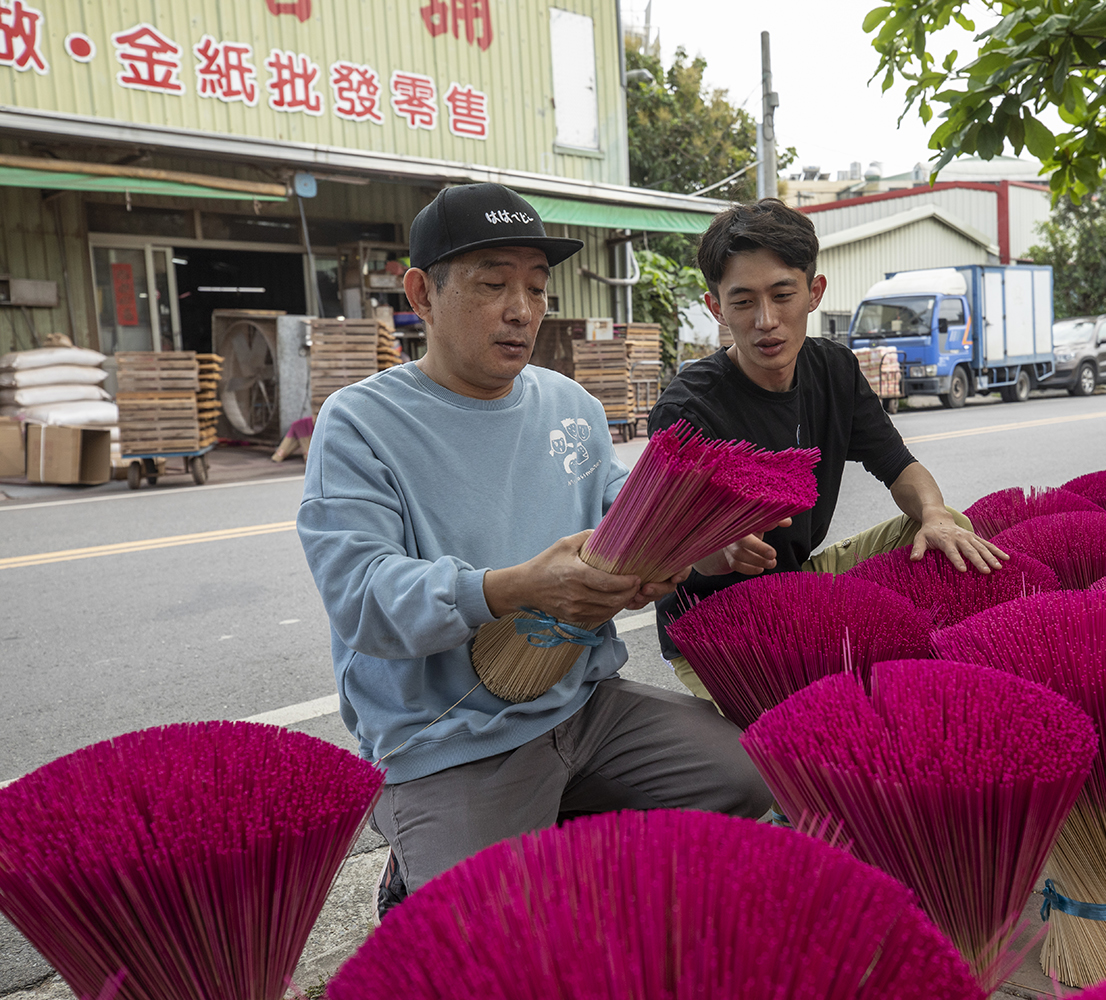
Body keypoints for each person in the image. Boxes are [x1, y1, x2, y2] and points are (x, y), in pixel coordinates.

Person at [297, 183, 773, 919]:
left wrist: (700, 543)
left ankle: (558, 832)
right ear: (422, 293)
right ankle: (415, 876)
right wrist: (512, 587)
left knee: (751, 779)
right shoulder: (360, 424)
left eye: (537, 286)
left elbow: (620, 506)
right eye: (494, 283)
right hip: (448, 739)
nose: (522, 308)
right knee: (479, 931)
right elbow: (363, 597)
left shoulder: (569, 405)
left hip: (584, 701)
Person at [650, 198, 1007, 698]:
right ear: (717, 308)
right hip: (716, 626)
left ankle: (902, 664)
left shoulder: (834, 370)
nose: (767, 320)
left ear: (814, 291)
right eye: (744, 301)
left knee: (945, 528)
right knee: (773, 740)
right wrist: (715, 547)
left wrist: (934, 514)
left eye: (782, 294)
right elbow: (664, 548)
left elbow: (899, 465)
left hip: (797, 584)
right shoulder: (686, 409)